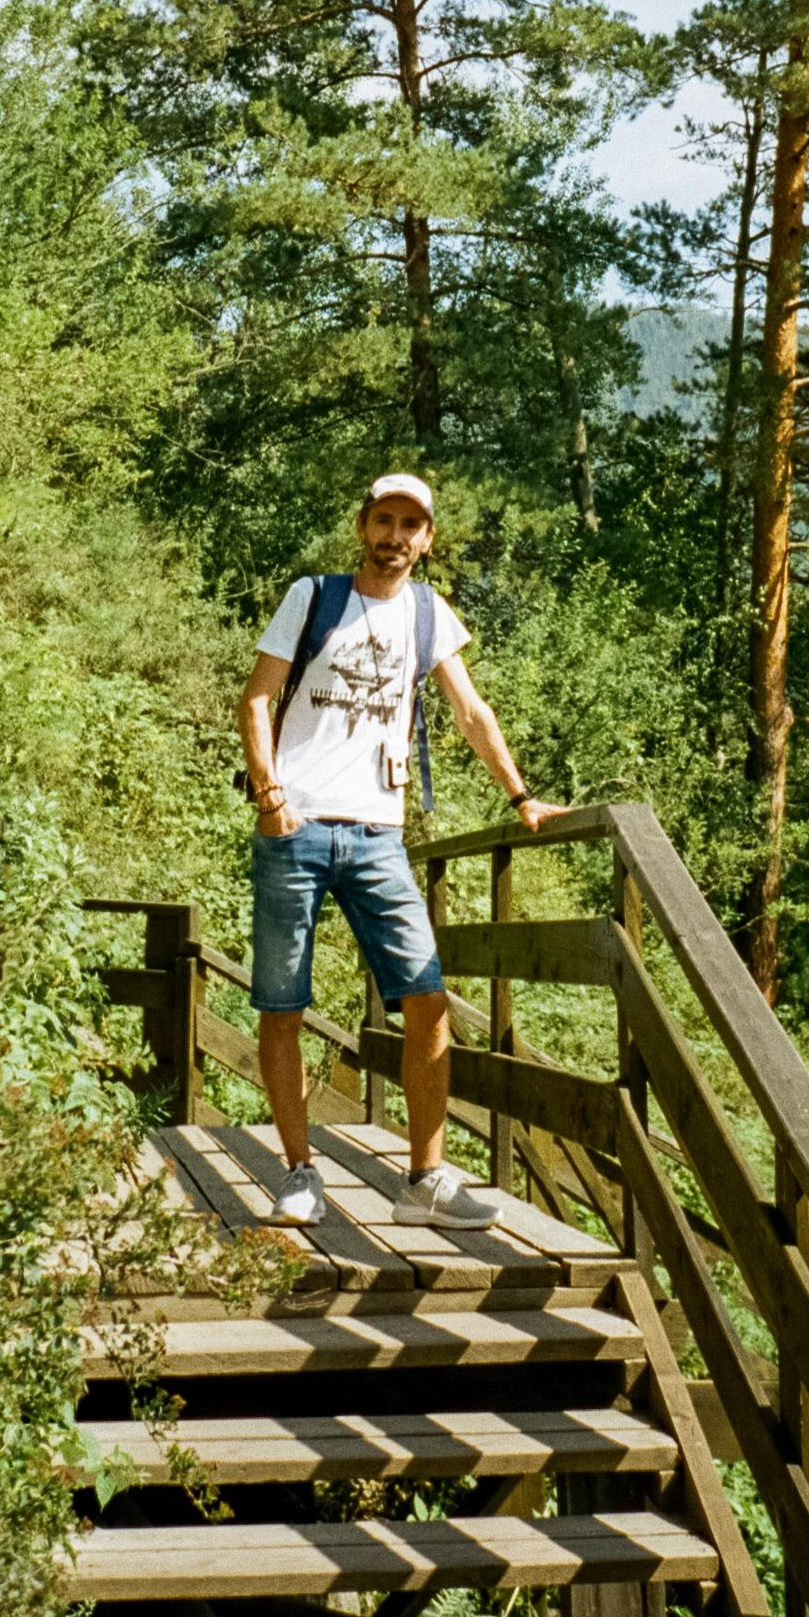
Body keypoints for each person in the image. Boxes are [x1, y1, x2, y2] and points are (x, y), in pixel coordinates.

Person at [237, 471, 560, 1228]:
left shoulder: (426, 612)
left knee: (426, 994)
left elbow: (471, 709)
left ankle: (423, 1178)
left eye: (410, 526)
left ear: (428, 539)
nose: (395, 537)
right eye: (384, 521)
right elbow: (257, 695)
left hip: (379, 834)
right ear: (363, 526)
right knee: (283, 1003)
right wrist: (271, 797)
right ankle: (298, 1171)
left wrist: (521, 795)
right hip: (297, 826)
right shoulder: (311, 597)